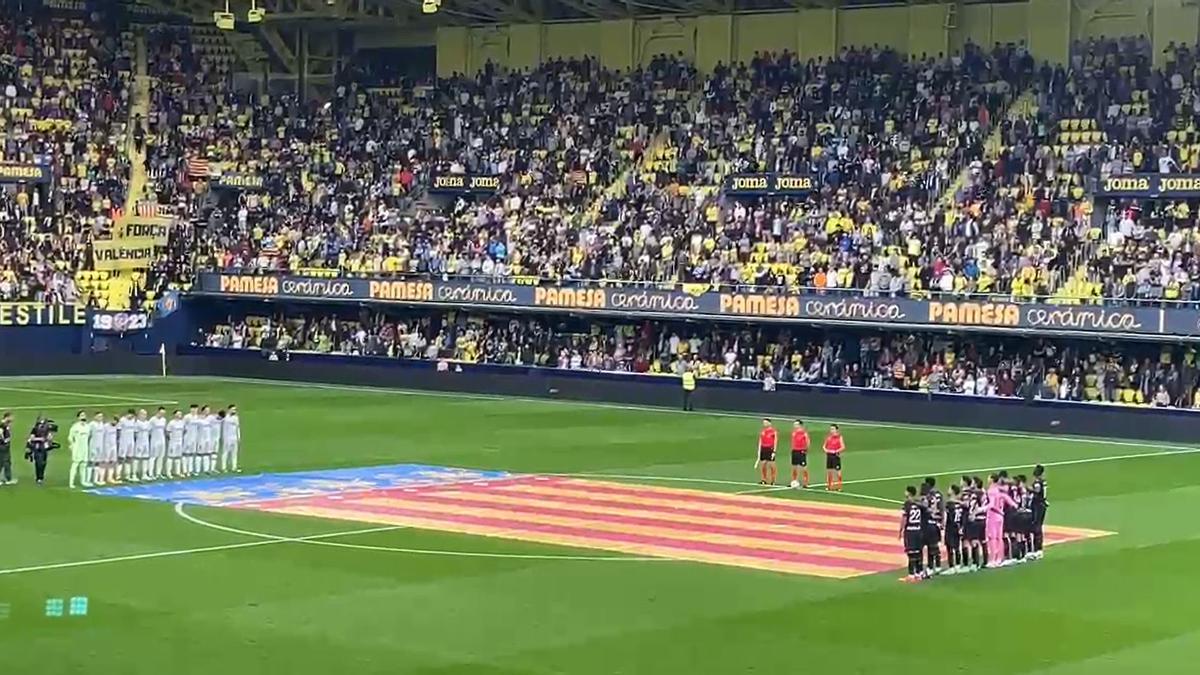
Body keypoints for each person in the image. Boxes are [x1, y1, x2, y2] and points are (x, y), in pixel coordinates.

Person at [986, 473, 1018, 567]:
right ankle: (1000, 558)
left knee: (992, 538)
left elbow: (991, 505)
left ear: (992, 479)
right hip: (1001, 516)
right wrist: (1013, 504)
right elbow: (1006, 497)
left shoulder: (992, 490)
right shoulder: (1000, 490)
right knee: (999, 538)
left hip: (994, 515)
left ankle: (993, 559)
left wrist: (980, 509)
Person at [900, 485, 929, 583]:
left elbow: (904, 518)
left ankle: (911, 575)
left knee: (911, 553)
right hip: (918, 530)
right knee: (918, 552)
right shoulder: (919, 504)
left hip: (911, 531)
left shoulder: (907, 504)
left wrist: (901, 530)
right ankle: (919, 573)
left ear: (908, 493)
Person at [921, 477, 944, 576]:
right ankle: (938, 565)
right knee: (934, 545)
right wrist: (942, 521)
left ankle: (930, 567)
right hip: (937, 522)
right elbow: (942, 508)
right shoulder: (939, 494)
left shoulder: (927, 495)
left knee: (929, 546)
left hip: (928, 523)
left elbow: (925, 508)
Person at [25, 416, 55, 486]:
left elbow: (50, 437)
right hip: (37, 447)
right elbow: (32, 438)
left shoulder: (47, 429)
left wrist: (50, 439)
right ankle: (39, 478)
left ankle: (41, 477)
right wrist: (40, 439)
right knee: (39, 463)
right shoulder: (35, 429)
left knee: (43, 463)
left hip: (44, 448)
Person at [944, 484, 967, 574]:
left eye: (949, 489)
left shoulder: (949, 503)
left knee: (949, 547)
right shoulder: (960, 503)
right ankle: (958, 565)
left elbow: (946, 516)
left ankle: (951, 567)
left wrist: (942, 525)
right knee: (957, 546)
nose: (948, 490)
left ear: (953, 491)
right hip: (958, 526)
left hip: (950, 526)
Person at [1029, 464, 1049, 559]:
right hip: (1042, 504)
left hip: (1038, 505)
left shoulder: (1038, 482)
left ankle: (1038, 549)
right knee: (1037, 526)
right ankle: (1037, 549)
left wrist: (1029, 489)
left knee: (1037, 526)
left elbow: (1036, 492)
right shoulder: (1043, 481)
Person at [68, 411, 91, 489]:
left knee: (84, 464)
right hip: (77, 448)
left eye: (84, 415)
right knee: (75, 464)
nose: (83, 416)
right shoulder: (75, 427)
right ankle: (71, 483)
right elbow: (70, 437)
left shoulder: (88, 426)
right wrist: (72, 445)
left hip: (85, 447)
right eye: (81, 415)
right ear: (78, 417)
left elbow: (89, 437)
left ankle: (83, 481)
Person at [823, 424, 844, 491]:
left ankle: (839, 486)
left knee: (838, 471)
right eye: (831, 429)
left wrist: (835, 451)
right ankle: (829, 486)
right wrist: (826, 450)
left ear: (836, 430)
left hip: (835, 455)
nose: (831, 430)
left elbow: (843, 447)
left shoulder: (839, 437)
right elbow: (824, 446)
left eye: (833, 429)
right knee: (829, 471)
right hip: (829, 455)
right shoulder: (828, 437)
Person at [755, 418, 777, 485]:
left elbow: (775, 441)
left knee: (771, 465)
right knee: (763, 464)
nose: (764, 424)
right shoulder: (763, 431)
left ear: (769, 423)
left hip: (770, 448)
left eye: (766, 422)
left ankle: (773, 480)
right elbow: (760, 441)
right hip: (763, 448)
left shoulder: (773, 431)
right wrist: (759, 449)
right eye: (764, 423)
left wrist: (774, 451)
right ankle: (764, 479)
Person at [118, 410, 137, 482]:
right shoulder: (122, 420)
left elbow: (135, 431)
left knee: (129, 458)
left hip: (131, 442)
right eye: (131, 415)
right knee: (121, 459)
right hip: (123, 442)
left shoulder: (134, 421)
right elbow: (118, 430)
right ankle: (118, 476)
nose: (132, 417)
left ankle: (127, 475)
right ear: (128, 414)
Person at [220, 404, 241, 473]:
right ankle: (224, 467)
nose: (234, 411)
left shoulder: (236, 417)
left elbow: (237, 427)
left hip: (234, 437)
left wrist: (238, 436)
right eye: (233, 409)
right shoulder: (225, 417)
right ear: (229, 410)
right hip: (227, 437)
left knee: (234, 453)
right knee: (225, 453)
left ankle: (234, 467)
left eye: (235, 409)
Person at [789, 419, 809, 488]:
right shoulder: (793, 432)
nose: (794, 426)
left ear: (800, 425)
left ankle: (805, 482)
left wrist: (805, 449)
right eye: (794, 424)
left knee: (803, 467)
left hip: (801, 451)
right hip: (794, 451)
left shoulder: (804, 433)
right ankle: (794, 481)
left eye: (796, 424)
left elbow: (807, 441)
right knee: (794, 467)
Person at [88, 412, 106, 486]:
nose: (100, 418)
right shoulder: (91, 424)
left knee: (97, 462)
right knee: (90, 462)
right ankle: (88, 480)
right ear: (95, 417)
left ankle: (96, 479)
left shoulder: (102, 424)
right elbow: (88, 435)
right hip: (93, 445)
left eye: (101, 416)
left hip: (100, 446)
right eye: (98, 416)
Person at [166, 410, 185, 479]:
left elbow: (184, 431)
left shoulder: (182, 423)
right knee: (170, 457)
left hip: (179, 442)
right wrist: (171, 440)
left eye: (181, 413)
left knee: (178, 457)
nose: (180, 415)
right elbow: (168, 432)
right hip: (173, 442)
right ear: (175, 415)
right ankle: (168, 472)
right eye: (179, 414)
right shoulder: (171, 423)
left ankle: (177, 472)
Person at [150, 407, 168, 480]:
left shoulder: (164, 420)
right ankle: (151, 473)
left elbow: (164, 430)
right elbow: (149, 430)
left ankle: (158, 473)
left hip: (162, 440)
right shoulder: (152, 420)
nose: (162, 414)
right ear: (158, 412)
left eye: (163, 413)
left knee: (161, 457)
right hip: (155, 440)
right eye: (161, 413)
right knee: (153, 457)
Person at [183, 404, 200, 476]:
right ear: (190, 409)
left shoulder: (198, 417)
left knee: (192, 454)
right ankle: (184, 470)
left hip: (194, 438)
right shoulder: (187, 417)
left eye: (196, 409)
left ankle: (190, 470)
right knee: (186, 454)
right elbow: (183, 426)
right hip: (187, 437)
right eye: (193, 409)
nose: (194, 410)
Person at [134, 409, 151, 481]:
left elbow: (149, 433)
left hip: (146, 443)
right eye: (142, 414)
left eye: (145, 414)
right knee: (137, 459)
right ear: (139, 415)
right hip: (139, 443)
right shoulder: (137, 423)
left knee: (145, 458)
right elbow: (135, 433)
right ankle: (134, 474)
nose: (144, 416)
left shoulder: (148, 423)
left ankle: (144, 474)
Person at [103, 416, 119, 484]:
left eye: (116, 421)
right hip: (107, 446)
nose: (115, 422)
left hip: (113, 446)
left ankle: (110, 477)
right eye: (114, 421)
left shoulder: (116, 427)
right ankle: (101, 477)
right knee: (105, 462)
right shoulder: (106, 426)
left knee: (112, 462)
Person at [0, 411, 12, 485]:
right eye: (11, 417)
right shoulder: (2, 424)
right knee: (6, 462)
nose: (12, 418)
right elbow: (0, 432)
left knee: (3, 462)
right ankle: (8, 479)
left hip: (4, 446)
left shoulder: (5, 424)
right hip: (3, 446)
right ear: (7, 417)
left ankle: (8, 478)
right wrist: (4, 440)